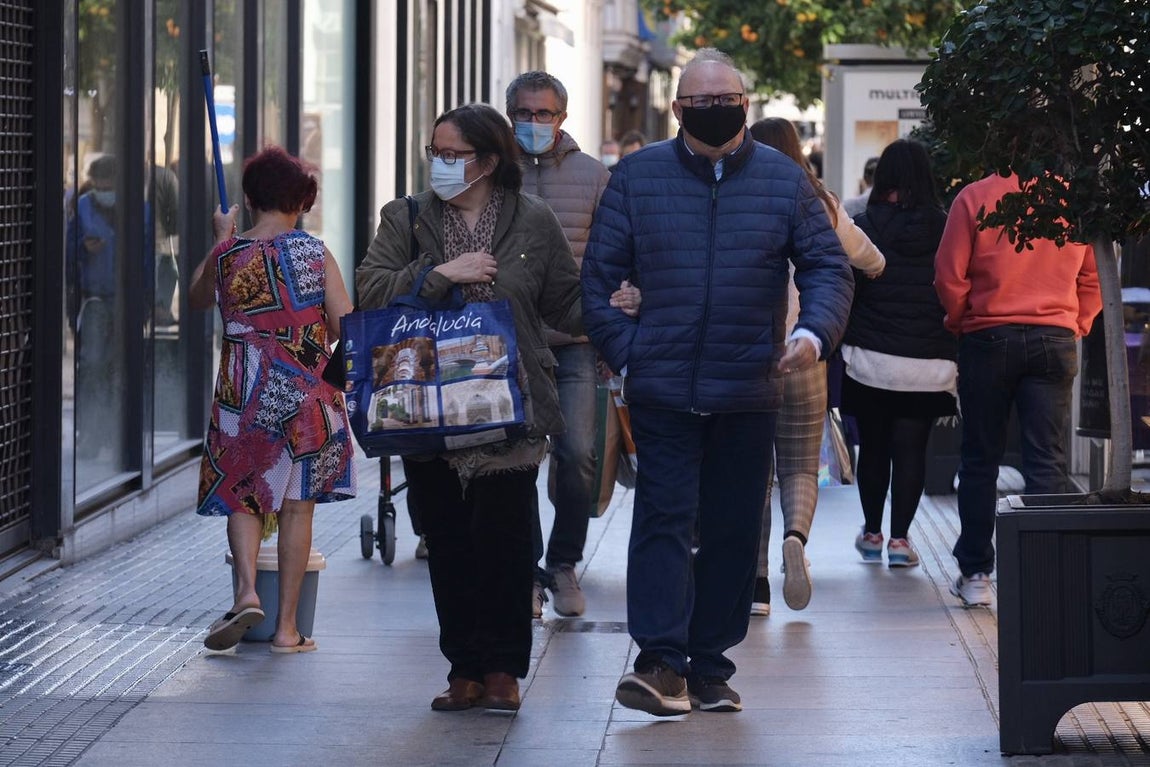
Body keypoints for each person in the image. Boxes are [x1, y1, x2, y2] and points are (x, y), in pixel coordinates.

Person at [582, 48, 854, 716]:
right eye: (698, 102)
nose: (712, 110)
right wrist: (630, 351)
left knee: (734, 527)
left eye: (723, 98)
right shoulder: (635, 179)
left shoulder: (784, 182)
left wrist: (812, 335)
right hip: (663, 385)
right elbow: (595, 278)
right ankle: (660, 659)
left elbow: (828, 266)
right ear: (677, 109)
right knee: (663, 517)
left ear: (746, 103)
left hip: (748, 385)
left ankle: (709, 661)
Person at [354, 103, 585, 713]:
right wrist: (438, 274)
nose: (440, 164)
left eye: (452, 154)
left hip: (508, 411)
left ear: (487, 161)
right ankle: (464, 669)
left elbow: (564, 304)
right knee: (449, 543)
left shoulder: (532, 221)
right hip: (426, 413)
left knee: (506, 544)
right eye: (435, 151)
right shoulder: (405, 217)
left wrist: (621, 304)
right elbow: (369, 291)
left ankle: (505, 669)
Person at [190, 146, 357, 654]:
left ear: (249, 197)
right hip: (308, 392)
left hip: (243, 389)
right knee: (296, 509)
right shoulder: (313, 252)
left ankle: (245, 592)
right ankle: (287, 628)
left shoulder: (229, 254)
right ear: (302, 202)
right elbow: (342, 323)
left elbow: (197, 298)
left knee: (243, 494)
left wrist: (221, 239)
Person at [934, 170, 1101, 607]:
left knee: (979, 459)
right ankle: (1045, 573)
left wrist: (962, 321)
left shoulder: (974, 197)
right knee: (1047, 460)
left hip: (988, 337)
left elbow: (949, 276)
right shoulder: (1070, 198)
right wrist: (1076, 321)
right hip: (1055, 337)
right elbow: (1094, 276)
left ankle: (975, 574)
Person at [746, 118, 885, 615]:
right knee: (802, 463)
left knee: (753, 469)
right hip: (806, 348)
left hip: (751, 352)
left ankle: (757, 583)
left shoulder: (742, 194)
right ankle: (796, 539)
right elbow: (870, 258)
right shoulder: (820, 199)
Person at [505, 70, 612, 618]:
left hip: (575, 340)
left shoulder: (594, 177)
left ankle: (563, 561)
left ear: (562, 118)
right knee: (516, 460)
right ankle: (525, 572)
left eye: (543, 114)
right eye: (523, 114)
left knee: (578, 457)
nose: (533, 124)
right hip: (508, 341)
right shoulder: (491, 175)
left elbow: (613, 255)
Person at [839, 139, 956, 569]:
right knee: (912, 449)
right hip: (929, 361)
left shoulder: (863, 225)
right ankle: (901, 542)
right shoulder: (945, 227)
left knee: (873, 448)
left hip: (871, 360)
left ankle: (871, 533)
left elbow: (849, 289)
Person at [65, 154, 120, 460]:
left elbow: (146, 252)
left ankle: (115, 435)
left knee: (116, 369)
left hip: (124, 301)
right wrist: (83, 248)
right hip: (95, 299)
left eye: (108, 181)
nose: (103, 187)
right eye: (99, 182)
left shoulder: (138, 209)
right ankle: (90, 435)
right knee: (92, 367)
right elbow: (68, 253)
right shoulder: (83, 208)